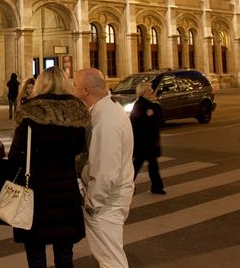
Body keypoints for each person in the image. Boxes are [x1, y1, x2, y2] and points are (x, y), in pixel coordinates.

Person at [9, 66, 90, 268]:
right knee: (64, 254)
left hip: (35, 194)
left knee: (36, 255)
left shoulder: (30, 115)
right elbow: (81, 153)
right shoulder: (77, 114)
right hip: (65, 191)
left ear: (40, 84)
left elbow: (14, 157)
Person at [74, 68, 135, 268]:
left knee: (111, 260)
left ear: (85, 90)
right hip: (112, 197)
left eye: (74, 85)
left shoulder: (104, 118)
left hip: (106, 202)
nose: (72, 89)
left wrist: (93, 202)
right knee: (110, 256)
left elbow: (105, 169)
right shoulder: (109, 110)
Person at [131, 82, 165, 195]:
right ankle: (156, 186)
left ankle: (157, 186)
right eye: (150, 89)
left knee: (149, 165)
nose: (152, 91)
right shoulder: (141, 106)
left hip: (147, 142)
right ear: (144, 92)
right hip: (145, 142)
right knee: (140, 165)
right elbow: (137, 124)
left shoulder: (148, 105)